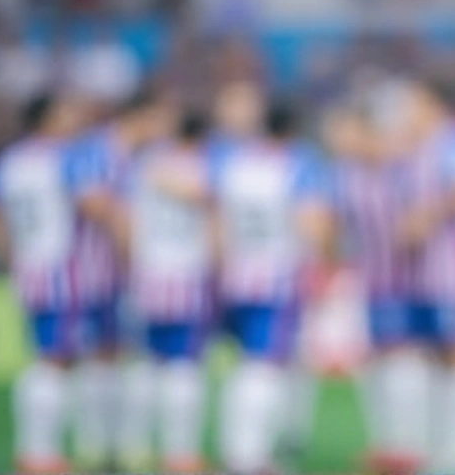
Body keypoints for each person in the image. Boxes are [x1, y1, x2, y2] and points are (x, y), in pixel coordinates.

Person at [327, 78, 455, 475]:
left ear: (432, 105)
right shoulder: (408, 146)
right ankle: (423, 450)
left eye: (413, 103)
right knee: (420, 357)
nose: (406, 110)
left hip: (452, 271)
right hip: (412, 275)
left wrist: (431, 214)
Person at [211, 99, 335, 475]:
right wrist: (326, 261)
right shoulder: (298, 165)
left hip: (235, 276)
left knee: (247, 364)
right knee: (264, 366)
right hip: (277, 279)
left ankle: (237, 449)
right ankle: (248, 458)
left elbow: (214, 219)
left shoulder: (233, 162)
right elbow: (314, 222)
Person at [0, 94, 84, 473]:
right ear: (49, 118)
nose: (74, 117)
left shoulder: (12, 159)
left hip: (28, 267)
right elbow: (93, 202)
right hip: (58, 267)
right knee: (53, 360)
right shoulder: (63, 157)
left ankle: (33, 452)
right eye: (67, 110)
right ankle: (40, 455)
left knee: (44, 356)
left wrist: (10, 252)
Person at [67, 87, 173, 471]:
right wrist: (134, 250)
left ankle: (122, 443)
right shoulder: (98, 152)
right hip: (100, 274)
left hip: (122, 274)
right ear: (142, 116)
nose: (165, 128)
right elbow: (94, 204)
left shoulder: (138, 157)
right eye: (161, 119)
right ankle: (98, 443)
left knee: (124, 356)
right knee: (102, 357)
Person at [116, 110, 216, 473]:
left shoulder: (143, 165)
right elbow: (209, 207)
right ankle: (180, 454)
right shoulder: (203, 168)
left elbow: (125, 219)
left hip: (146, 276)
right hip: (187, 277)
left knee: (145, 363)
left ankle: (133, 447)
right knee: (183, 365)